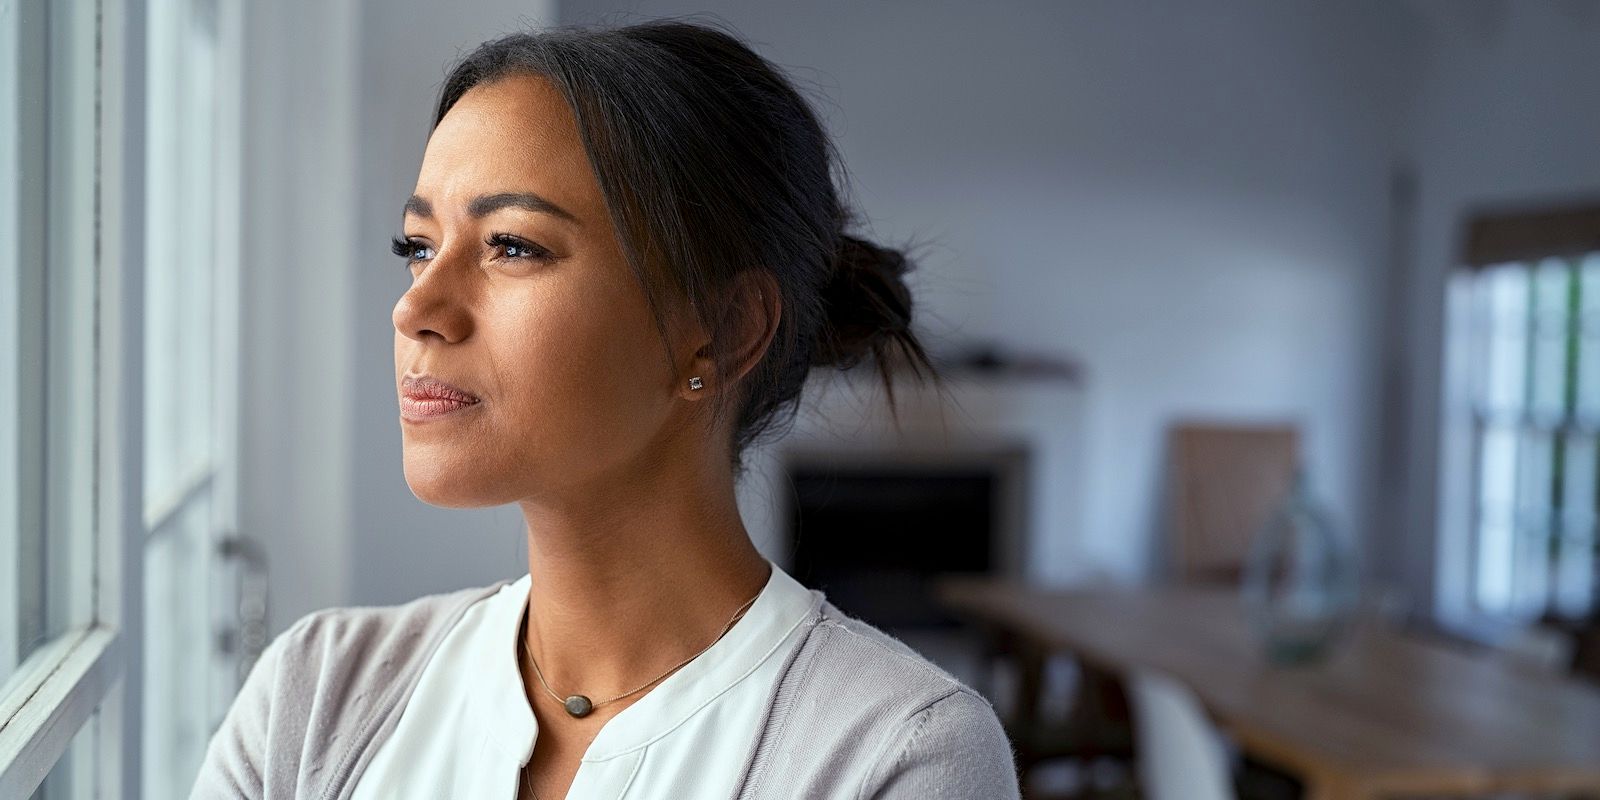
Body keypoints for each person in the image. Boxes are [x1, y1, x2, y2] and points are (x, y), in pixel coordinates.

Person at [191, 17, 1020, 800]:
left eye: (511, 245)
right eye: (418, 247)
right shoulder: (313, 696)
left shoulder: (895, 755)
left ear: (721, 333)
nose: (416, 309)